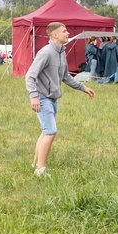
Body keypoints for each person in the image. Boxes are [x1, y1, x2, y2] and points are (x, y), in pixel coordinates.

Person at [25, 22, 95, 177]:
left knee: (45, 131)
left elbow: (66, 76)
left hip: (53, 99)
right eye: (64, 31)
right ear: (54, 35)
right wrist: (34, 97)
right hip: (43, 98)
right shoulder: (46, 53)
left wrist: (83, 88)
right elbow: (30, 76)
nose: (68, 33)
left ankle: (35, 164)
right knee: (50, 131)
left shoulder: (61, 52)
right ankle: (41, 170)